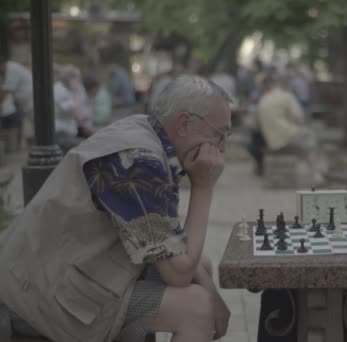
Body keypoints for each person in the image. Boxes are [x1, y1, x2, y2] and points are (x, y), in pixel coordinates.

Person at [0, 75, 232, 342]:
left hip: (69, 273)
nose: (222, 148)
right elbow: (178, 273)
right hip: (40, 295)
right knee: (197, 308)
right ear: (183, 123)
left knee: (201, 266)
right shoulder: (137, 161)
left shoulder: (147, 132)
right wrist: (204, 187)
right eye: (219, 134)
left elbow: (173, 246)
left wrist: (215, 295)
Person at [256, 74, 323, 184]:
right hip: (286, 137)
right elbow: (299, 118)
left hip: (270, 141)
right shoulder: (286, 96)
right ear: (276, 84)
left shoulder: (262, 100)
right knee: (309, 135)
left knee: (302, 139)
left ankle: (311, 169)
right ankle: (315, 173)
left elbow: (257, 125)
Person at [0, 55, 33, 146]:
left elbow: (5, 91)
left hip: (31, 100)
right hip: (23, 103)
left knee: (34, 125)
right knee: (28, 127)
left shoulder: (11, 69)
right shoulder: (5, 71)